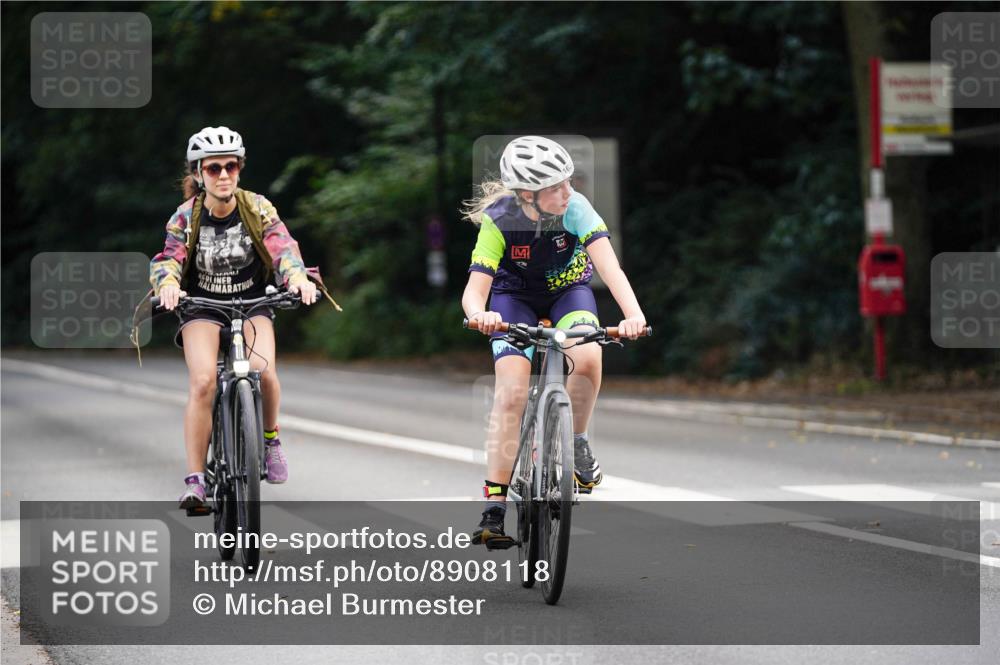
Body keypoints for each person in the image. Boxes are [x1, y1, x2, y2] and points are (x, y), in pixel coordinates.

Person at [461, 136, 646, 547]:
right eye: (556, 187)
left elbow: (609, 267)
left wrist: (634, 315)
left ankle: (577, 444)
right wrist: (481, 315)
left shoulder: (576, 207)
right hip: (514, 299)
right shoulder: (500, 219)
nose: (568, 191)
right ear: (527, 194)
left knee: (589, 357)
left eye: (568, 181)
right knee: (510, 392)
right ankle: (493, 508)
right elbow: (474, 292)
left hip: (568, 293)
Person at [149, 126, 318, 512]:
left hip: (253, 301)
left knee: (265, 370)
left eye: (230, 166)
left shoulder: (257, 207)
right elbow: (169, 261)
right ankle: (195, 480)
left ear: (239, 169)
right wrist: (169, 286)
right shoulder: (185, 217)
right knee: (205, 381)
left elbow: (284, 249)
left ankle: (271, 441)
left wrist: (297, 278)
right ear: (198, 174)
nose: (223, 175)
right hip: (202, 307)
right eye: (213, 169)